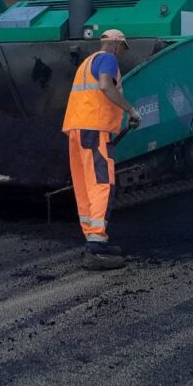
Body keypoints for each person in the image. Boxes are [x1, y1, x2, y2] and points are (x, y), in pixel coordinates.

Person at [62, 29, 142, 271]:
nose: (123, 53)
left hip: (77, 129)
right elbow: (107, 87)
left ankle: (94, 239)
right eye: (123, 49)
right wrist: (130, 110)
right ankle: (96, 245)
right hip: (95, 130)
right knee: (102, 183)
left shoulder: (88, 62)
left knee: (86, 185)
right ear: (116, 45)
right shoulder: (108, 59)